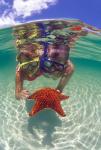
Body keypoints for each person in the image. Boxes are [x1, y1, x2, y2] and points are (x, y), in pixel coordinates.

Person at [14, 19, 89, 100]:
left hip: (48, 65)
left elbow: (70, 68)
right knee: (26, 68)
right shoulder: (28, 55)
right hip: (36, 69)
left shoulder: (50, 54)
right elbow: (19, 70)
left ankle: (57, 88)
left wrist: (59, 90)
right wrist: (18, 91)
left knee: (64, 67)